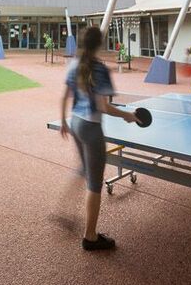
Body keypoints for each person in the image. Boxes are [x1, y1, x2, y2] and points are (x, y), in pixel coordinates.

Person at [59, 26, 139, 251]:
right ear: (99, 44)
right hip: (91, 128)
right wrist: (128, 116)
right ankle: (90, 237)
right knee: (94, 184)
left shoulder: (73, 64)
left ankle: (65, 209)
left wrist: (63, 121)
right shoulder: (99, 69)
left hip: (75, 122)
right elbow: (105, 107)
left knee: (85, 170)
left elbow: (65, 95)